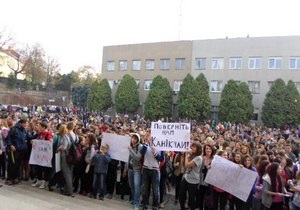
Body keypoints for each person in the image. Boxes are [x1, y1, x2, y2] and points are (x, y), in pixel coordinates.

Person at [141, 131, 164, 210]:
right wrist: (146, 143)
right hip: (146, 168)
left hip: (155, 170)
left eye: (150, 135)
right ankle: (145, 204)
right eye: (148, 135)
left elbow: (162, 159)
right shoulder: (145, 144)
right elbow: (142, 153)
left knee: (155, 190)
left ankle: (155, 206)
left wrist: (155, 154)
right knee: (145, 188)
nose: (149, 137)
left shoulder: (160, 146)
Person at [179, 142, 203, 210]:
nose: (192, 148)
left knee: (191, 198)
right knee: (181, 195)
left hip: (193, 181)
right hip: (186, 178)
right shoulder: (192, 155)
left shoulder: (198, 158)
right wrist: (185, 155)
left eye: (194, 147)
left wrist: (186, 155)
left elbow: (187, 164)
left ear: (198, 149)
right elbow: (184, 164)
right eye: (192, 146)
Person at [5, 119, 28, 185]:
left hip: (21, 150)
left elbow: (28, 137)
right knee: (12, 164)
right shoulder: (14, 129)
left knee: (18, 165)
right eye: (25, 123)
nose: (26, 125)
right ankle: (9, 179)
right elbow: (8, 138)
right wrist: (10, 145)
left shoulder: (24, 130)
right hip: (14, 150)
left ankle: (14, 178)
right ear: (21, 123)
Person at [31, 121, 53, 189]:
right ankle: (39, 180)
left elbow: (50, 141)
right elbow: (37, 141)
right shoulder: (40, 134)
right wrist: (33, 141)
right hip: (39, 155)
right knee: (38, 168)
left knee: (45, 169)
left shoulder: (48, 134)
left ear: (44, 127)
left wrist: (48, 141)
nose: (38, 128)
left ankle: (44, 182)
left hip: (45, 156)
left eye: (40, 127)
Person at [127, 133, 143, 210]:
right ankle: (133, 199)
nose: (133, 140)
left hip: (137, 169)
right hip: (130, 168)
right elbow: (127, 158)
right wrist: (125, 169)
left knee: (137, 186)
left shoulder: (140, 147)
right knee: (131, 185)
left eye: (135, 139)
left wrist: (131, 150)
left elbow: (138, 158)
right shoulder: (130, 146)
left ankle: (137, 203)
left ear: (138, 140)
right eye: (132, 138)